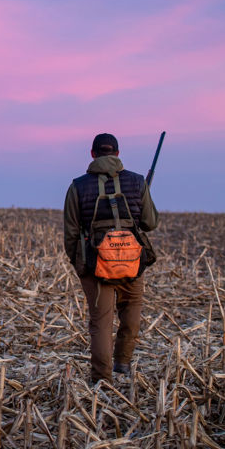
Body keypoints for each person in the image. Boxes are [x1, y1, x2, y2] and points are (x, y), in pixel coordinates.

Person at [63, 133, 159, 385]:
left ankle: (101, 381)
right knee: (131, 312)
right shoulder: (137, 182)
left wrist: (81, 265)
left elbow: (71, 232)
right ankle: (123, 363)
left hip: (95, 266)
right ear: (117, 154)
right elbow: (150, 223)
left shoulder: (77, 186)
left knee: (101, 323)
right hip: (132, 263)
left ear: (93, 154)